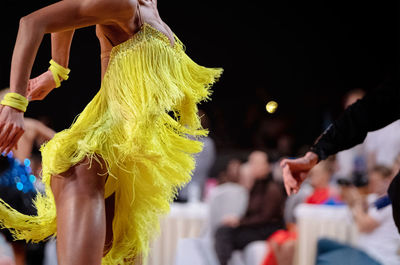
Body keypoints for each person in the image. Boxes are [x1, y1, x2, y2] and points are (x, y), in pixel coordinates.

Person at [0, 1, 222, 265]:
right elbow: (31, 22)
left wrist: (58, 70)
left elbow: (70, 15)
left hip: (125, 163)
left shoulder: (149, 6)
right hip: (94, 158)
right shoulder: (123, 5)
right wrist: (15, 103)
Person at [280, 81, 400, 231]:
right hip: (367, 179)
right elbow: (361, 117)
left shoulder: (390, 128)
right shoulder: (365, 120)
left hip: (384, 176)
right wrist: (315, 154)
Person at [316, 165, 400, 265]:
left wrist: (356, 202)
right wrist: (351, 196)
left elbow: (363, 226)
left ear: (387, 180)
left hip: (378, 257)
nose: (372, 184)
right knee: (322, 243)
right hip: (363, 251)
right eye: (371, 181)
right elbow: (360, 203)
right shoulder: (375, 198)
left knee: (328, 260)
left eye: (376, 181)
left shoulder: (389, 202)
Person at [214, 151, 285, 265]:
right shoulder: (255, 186)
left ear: (267, 166)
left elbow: (265, 217)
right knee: (223, 230)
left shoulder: (272, 189)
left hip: (267, 229)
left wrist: (240, 222)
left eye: (256, 163)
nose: (252, 166)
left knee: (225, 233)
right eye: (251, 163)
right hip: (255, 226)